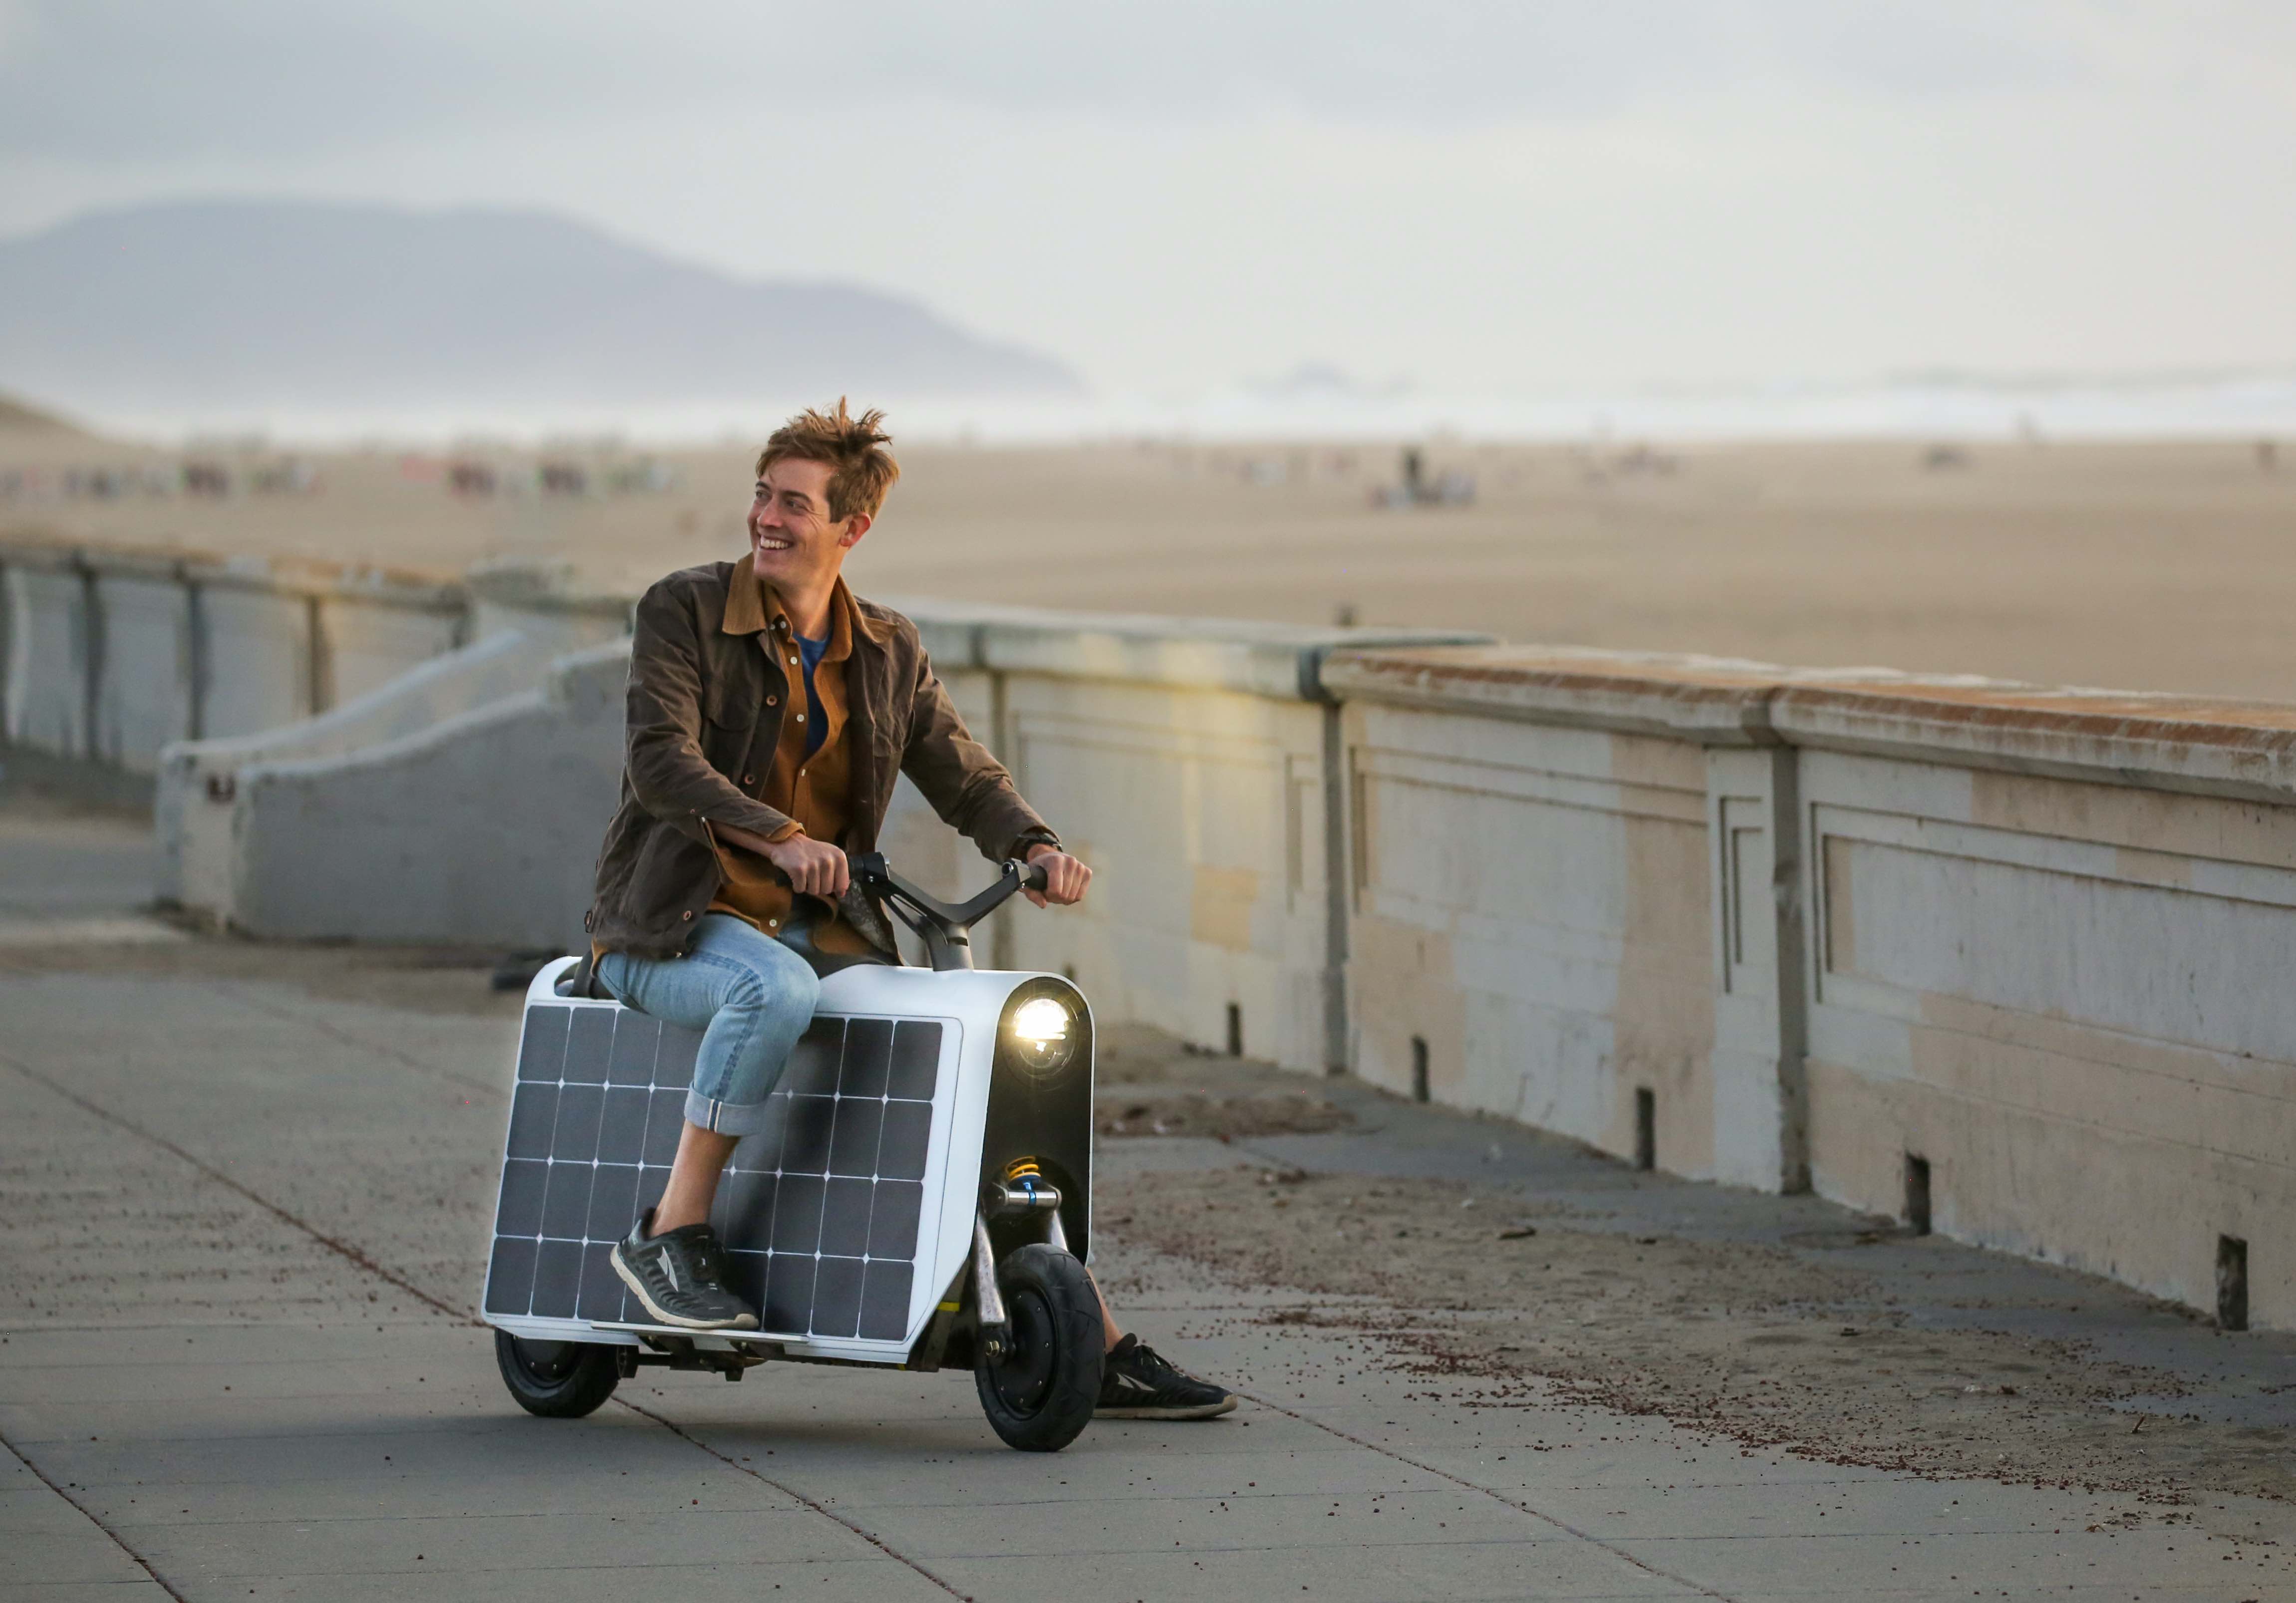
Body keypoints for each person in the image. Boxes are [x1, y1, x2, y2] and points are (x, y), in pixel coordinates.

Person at [582, 400, 1235, 1422]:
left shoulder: (884, 648)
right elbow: (663, 761)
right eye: (762, 494)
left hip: (825, 934)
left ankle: (1090, 1340)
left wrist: (1034, 844)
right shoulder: (683, 610)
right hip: (671, 927)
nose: (767, 517)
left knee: (968, 1068)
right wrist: (778, 835)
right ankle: (669, 1232)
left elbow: (958, 767)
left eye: (793, 503)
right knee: (774, 988)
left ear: (852, 527)